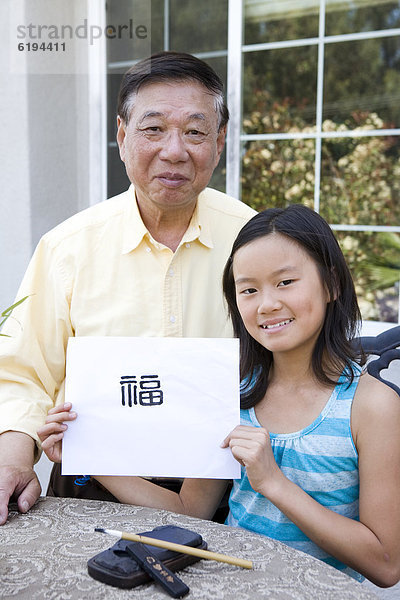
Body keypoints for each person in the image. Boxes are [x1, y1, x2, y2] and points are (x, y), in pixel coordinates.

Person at [39, 205, 400, 587]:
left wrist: (273, 483)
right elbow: (188, 510)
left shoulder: (372, 406)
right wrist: (88, 453)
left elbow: (386, 564)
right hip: (229, 587)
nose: (267, 304)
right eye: (248, 289)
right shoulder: (232, 391)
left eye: (285, 282)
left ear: (332, 283)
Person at [0, 50, 256, 525]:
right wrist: (14, 459)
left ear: (219, 142)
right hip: (88, 490)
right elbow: (23, 374)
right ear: (122, 136)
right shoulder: (66, 248)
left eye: (196, 131)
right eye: (153, 128)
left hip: (228, 493)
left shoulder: (256, 241)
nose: (175, 150)